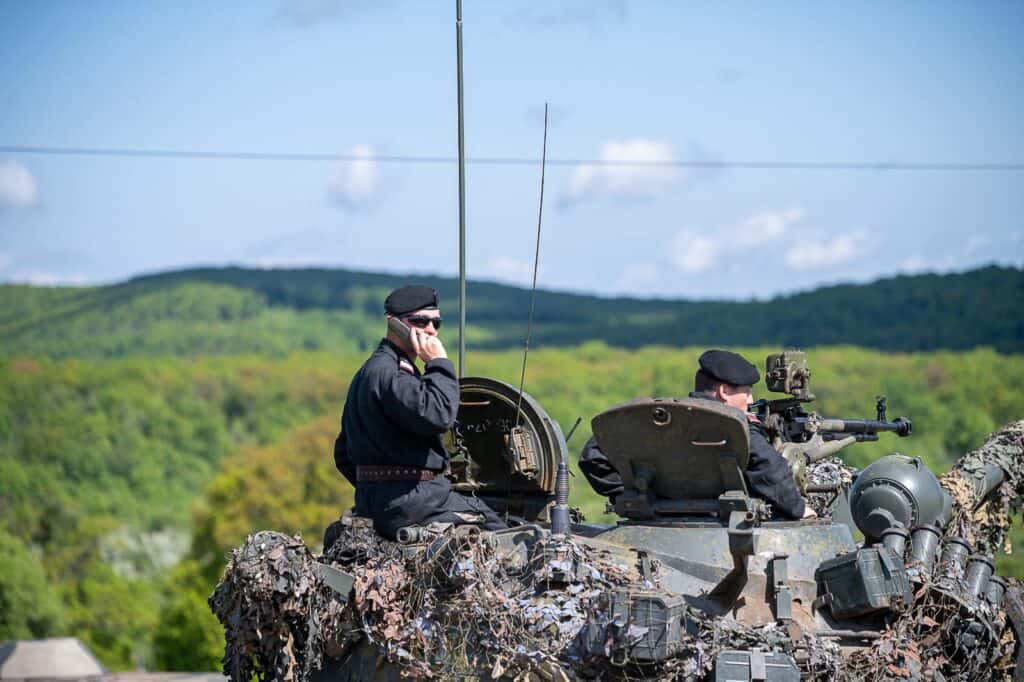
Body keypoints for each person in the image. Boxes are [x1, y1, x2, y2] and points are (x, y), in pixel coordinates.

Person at [331, 284, 506, 540]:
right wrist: (439, 363)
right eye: (420, 321)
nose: (431, 330)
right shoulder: (393, 375)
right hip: (414, 503)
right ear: (394, 324)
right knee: (504, 530)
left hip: (382, 501)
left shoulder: (369, 371)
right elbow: (439, 415)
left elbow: (343, 452)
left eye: (437, 323)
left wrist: (375, 488)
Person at [579, 349, 815, 520]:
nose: (751, 400)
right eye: (746, 391)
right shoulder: (732, 426)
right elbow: (770, 469)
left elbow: (592, 457)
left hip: (652, 527)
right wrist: (798, 508)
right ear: (724, 392)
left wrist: (641, 496)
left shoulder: (655, 420)